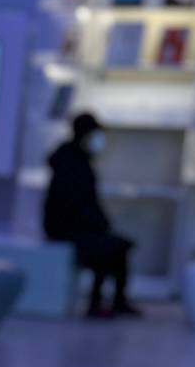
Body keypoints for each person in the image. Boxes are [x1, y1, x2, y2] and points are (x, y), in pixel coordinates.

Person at [44, 113, 140, 318]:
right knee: (108, 249)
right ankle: (96, 303)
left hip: (78, 227)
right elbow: (72, 203)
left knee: (117, 248)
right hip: (65, 230)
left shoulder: (79, 160)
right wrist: (96, 223)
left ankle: (117, 300)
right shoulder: (70, 162)